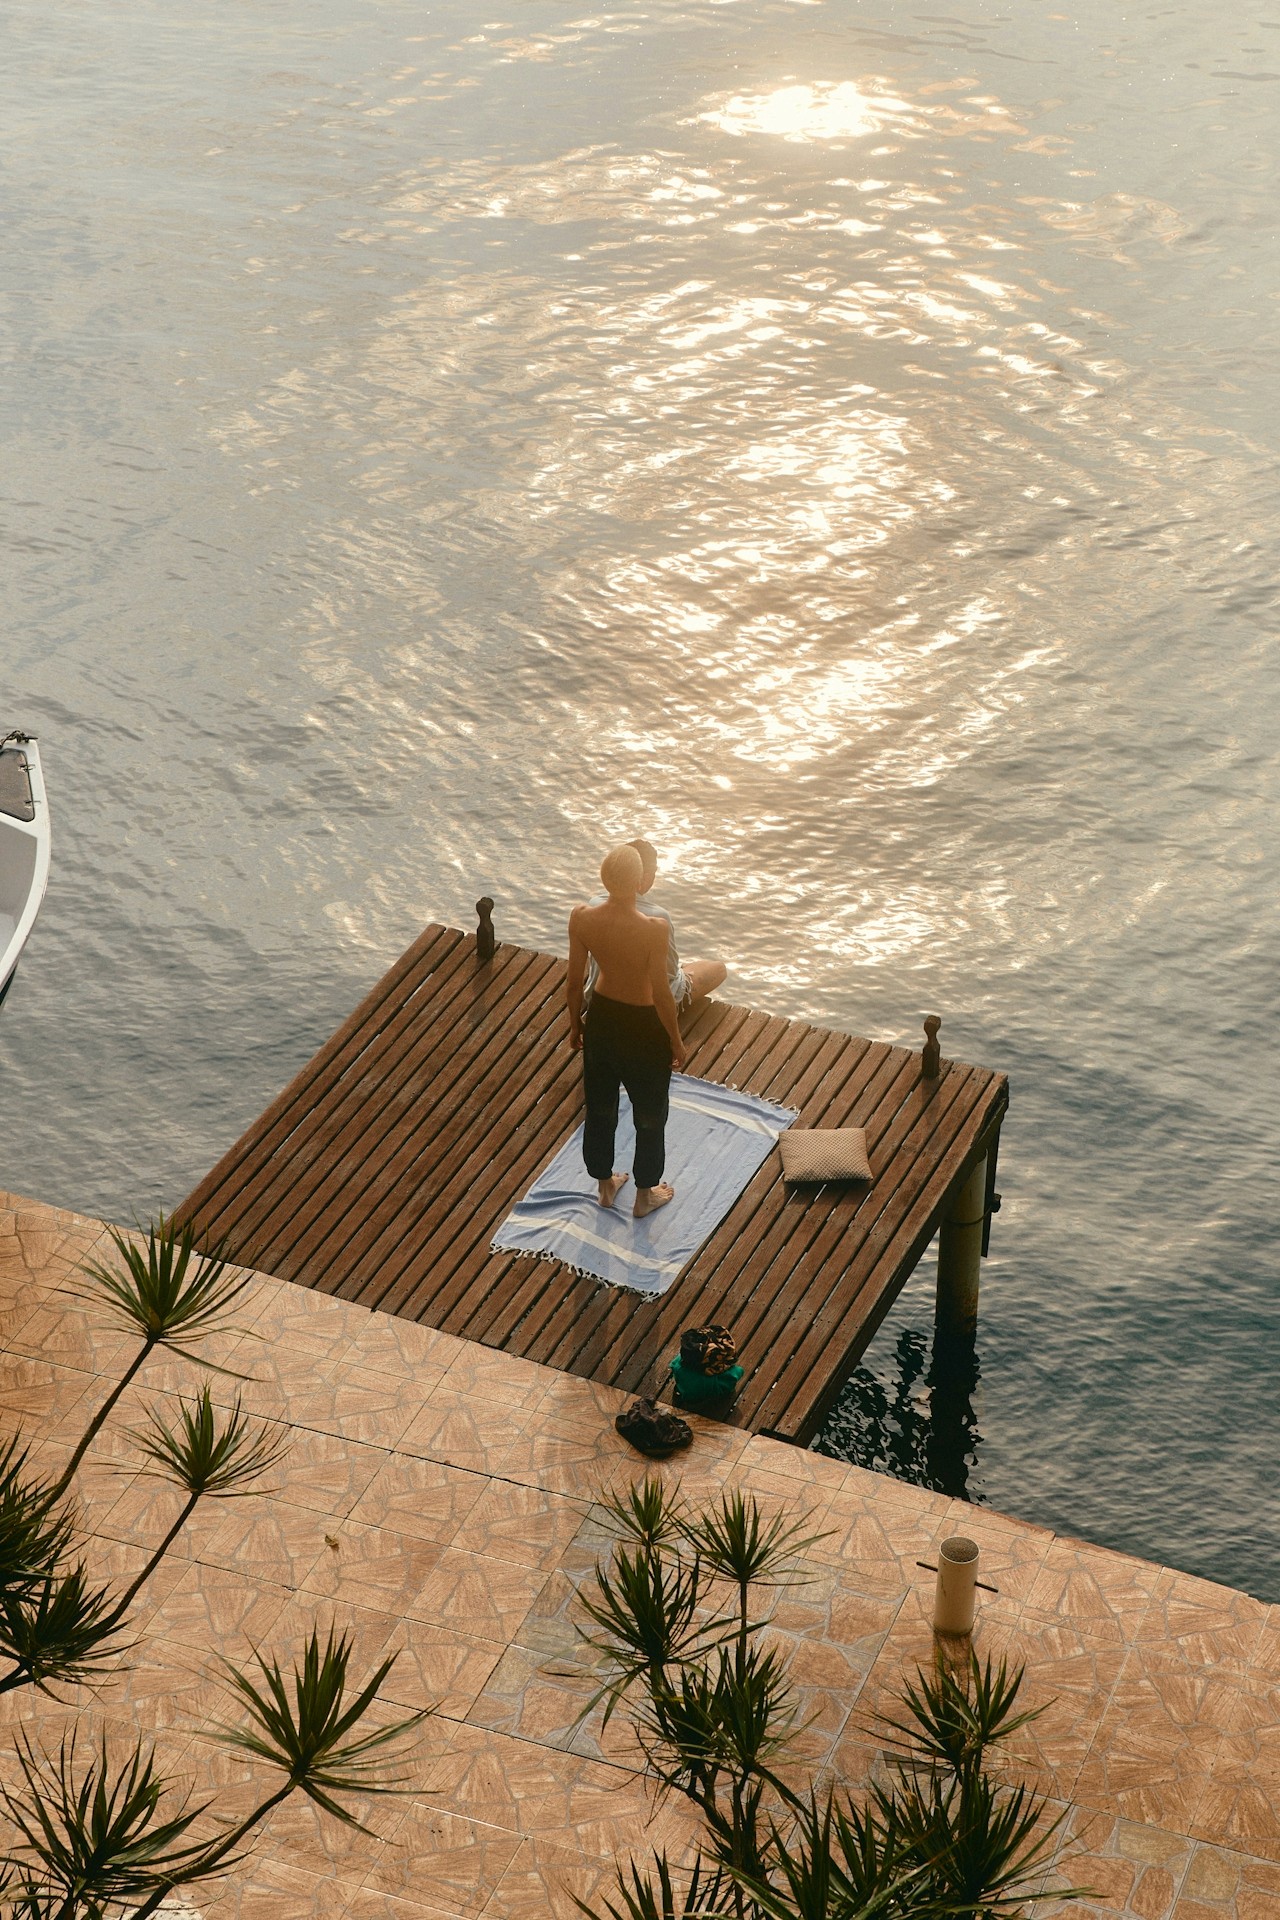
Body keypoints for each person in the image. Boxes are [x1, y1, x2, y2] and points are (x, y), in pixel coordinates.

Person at [568, 844, 686, 1218]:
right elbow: (662, 993)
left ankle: (604, 1185)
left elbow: (574, 981)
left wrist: (575, 1022)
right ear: (639, 882)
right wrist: (676, 1040)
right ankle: (643, 1194)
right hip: (642, 1022)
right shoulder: (654, 928)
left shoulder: (582, 917)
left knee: (600, 1105)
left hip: (602, 1018)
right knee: (650, 1113)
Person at [583, 837, 727, 1013]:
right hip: (646, 1008)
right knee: (718, 969)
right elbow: (670, 974)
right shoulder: (657, 918)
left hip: (599, 1000)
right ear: (646, 876)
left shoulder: (593, 905)